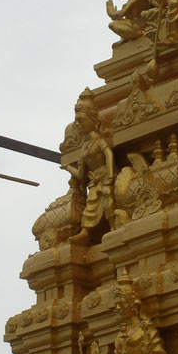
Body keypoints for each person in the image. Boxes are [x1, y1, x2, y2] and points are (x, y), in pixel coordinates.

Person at [67, 90, 114, 241]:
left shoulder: (99, 140)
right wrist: (68, 167)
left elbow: (109, 155)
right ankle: (86, 231)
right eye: (76, 121)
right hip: (94, 182)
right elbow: (81, 175)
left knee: (108, 196)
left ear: (93, 120)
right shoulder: (84, 148)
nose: (78, 124)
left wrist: (111, 176)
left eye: (81, 120)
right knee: (90, 203)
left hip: (105, 177)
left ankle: (114, 225)